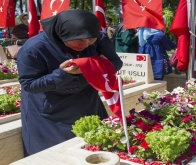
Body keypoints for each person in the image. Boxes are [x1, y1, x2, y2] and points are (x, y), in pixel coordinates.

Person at [16, 9, 123, 156]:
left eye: (90, 39)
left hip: (87, 103)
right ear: (63, 34)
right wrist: (61, 74)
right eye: (79, 40)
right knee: (56, 156)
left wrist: (92, 66)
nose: (86, 44)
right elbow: (29, 85)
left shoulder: (98, 38)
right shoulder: (34, 48)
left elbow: (116, 63)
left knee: (94, 150)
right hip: (50, 111)